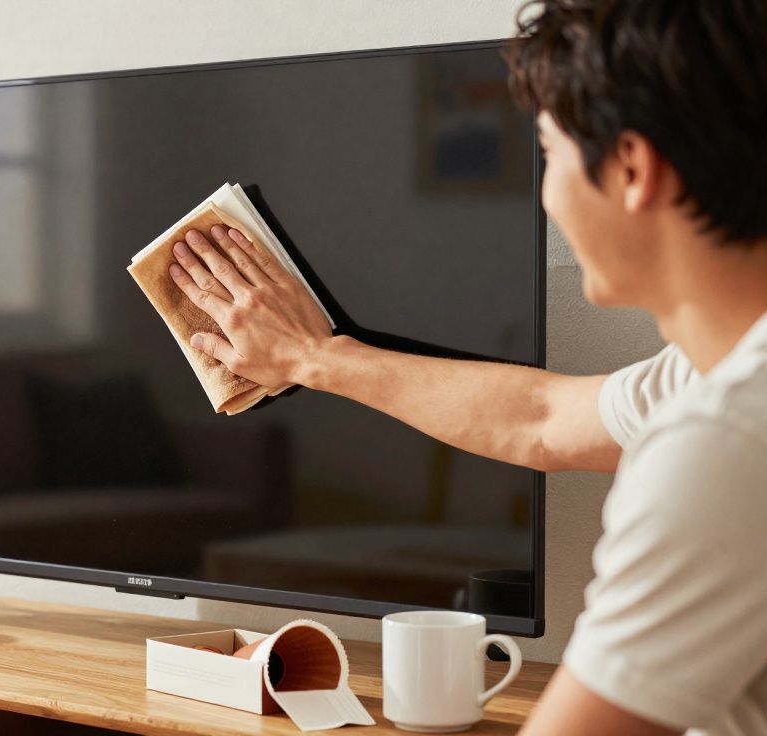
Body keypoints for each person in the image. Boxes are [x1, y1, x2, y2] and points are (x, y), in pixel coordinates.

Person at [166, 1, 767, 734]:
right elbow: (539, 420)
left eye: (549, 152)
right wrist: (309, 355)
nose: (547, 195)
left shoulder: (726, 439)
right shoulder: (720, 380)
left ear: (634, 168)